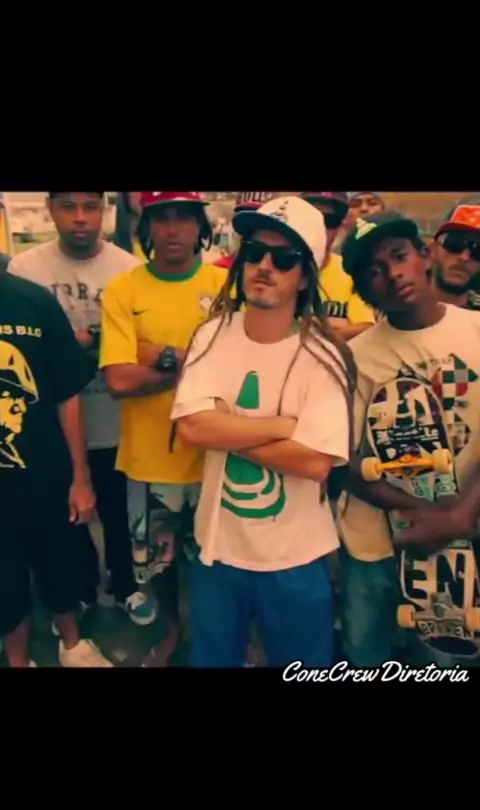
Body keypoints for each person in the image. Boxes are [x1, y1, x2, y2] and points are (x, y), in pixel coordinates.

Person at [171, 195, 356, 667]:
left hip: (296, 557)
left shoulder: (324, 356)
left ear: (306, 275)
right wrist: (283, 428)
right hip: (217, 549)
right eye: (255, 252)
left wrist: (224, 426)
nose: (265, 266)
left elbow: (315, 462)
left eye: (285, 258)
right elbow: (191, 428)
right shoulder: (212, 334)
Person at [337, 210, 480, 668]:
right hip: (373, 548)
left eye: (399, 256)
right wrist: (420, 511)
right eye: (374, 270)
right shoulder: (357, 357)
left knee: (447, 659)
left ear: (423, 254)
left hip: (459, 546)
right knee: (366, 654)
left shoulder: (475, 331)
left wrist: (460, 516)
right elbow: (341, 459)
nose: (393, 274)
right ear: (363, 290)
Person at [8, 192, 154, 626]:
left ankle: (126, 585)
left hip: (116, 420)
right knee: (69, 518)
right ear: (51, 208)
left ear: (104, 209)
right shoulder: (25, 270)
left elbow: (141, 344)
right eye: (69, 207)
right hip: (53, 426)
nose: (80, 218)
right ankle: (82, 590)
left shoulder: (129, 269)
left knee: (121, 515)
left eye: (90, 207)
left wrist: (90, 340)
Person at [100, 190, 227, 666]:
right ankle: (172, 632)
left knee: (218, 561)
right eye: (162, 218)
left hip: (218, 456)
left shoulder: (225, 286)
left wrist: (161, 355)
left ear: (201, 226)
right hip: (148, 461)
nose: (173, 230)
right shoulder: (124, 290)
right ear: (146, 227)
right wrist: (194, 363)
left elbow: (236, 371)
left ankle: (216, 639)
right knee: (159, 566)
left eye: (184, 218)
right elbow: (118, 381)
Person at [0, 268, 113, 666]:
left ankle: (72, 644)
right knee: (4, 579)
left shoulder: (33, 301)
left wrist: (81, 478)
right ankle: (17, 660)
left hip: (44, 473)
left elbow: (68, 394)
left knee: (59, 561)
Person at [302, 191, 375, 341]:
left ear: (340, 226)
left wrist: (319, 338)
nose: (321, 226)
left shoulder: (349, 270)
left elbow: (366, 326)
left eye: (331, 220)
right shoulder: (272, 263)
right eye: (313, 217)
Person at [432, 197, 480, 310]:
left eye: (478, 251)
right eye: (455, 243)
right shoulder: (400, 306)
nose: (464, 257)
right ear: (434, 247)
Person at [214, 192, 275, 269]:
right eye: (244, 220)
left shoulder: (278, 270)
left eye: (258, 220)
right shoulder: (221, 268)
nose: (250, 226)